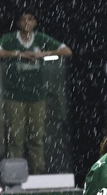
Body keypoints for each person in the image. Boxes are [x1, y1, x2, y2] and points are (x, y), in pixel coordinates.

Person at [0, 9, 72, 173]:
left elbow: (66, 51)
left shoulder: (40, 38)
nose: (27, 22)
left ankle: (37, 173)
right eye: (23, 19)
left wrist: (43, 54)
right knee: (15, 139)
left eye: (30, 19)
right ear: (18, 23)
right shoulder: (10, 39)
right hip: (14, 96)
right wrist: (19, 54)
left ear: (35, 22)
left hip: (37, 96)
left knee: (37, 138)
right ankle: (15, 174)